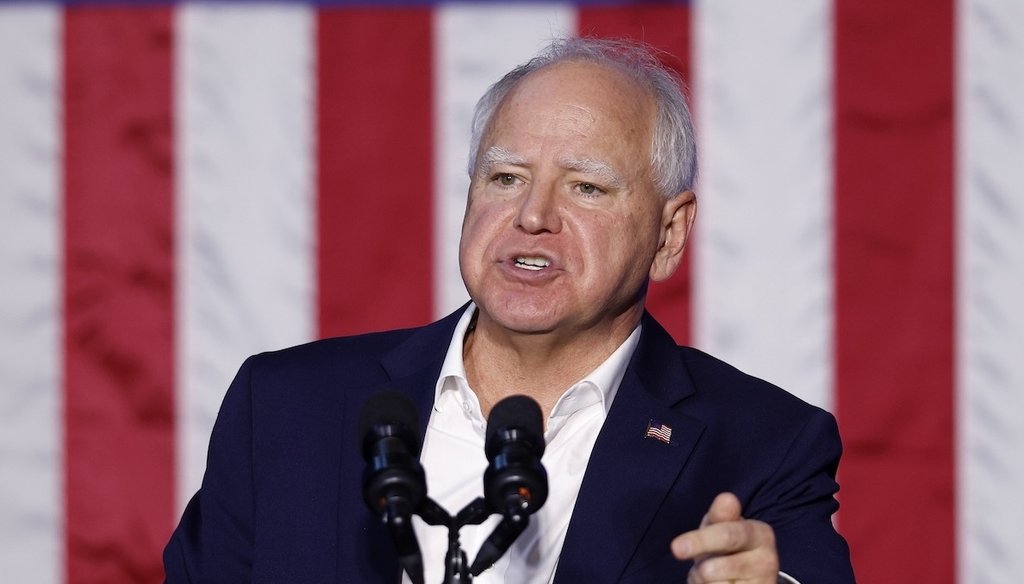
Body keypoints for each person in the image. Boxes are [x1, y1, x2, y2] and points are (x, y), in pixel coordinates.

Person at [164, 37, 854, 583]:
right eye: (506, 177)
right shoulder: (286, 406)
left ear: (668, 234)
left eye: (585, 187)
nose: (533, 216)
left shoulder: (764, 446)